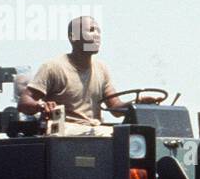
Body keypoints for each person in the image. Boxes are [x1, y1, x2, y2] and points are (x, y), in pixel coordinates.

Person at [18, 16, 157, 126]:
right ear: (73, 37)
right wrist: (41, 105)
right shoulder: (53, 67)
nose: (96, 35)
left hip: (95, 131)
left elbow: (115, 108)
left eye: (98, 31)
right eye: (91, 30)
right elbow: (24, 102)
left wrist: (137, 102)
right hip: (65, 133)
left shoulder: (101, 69)